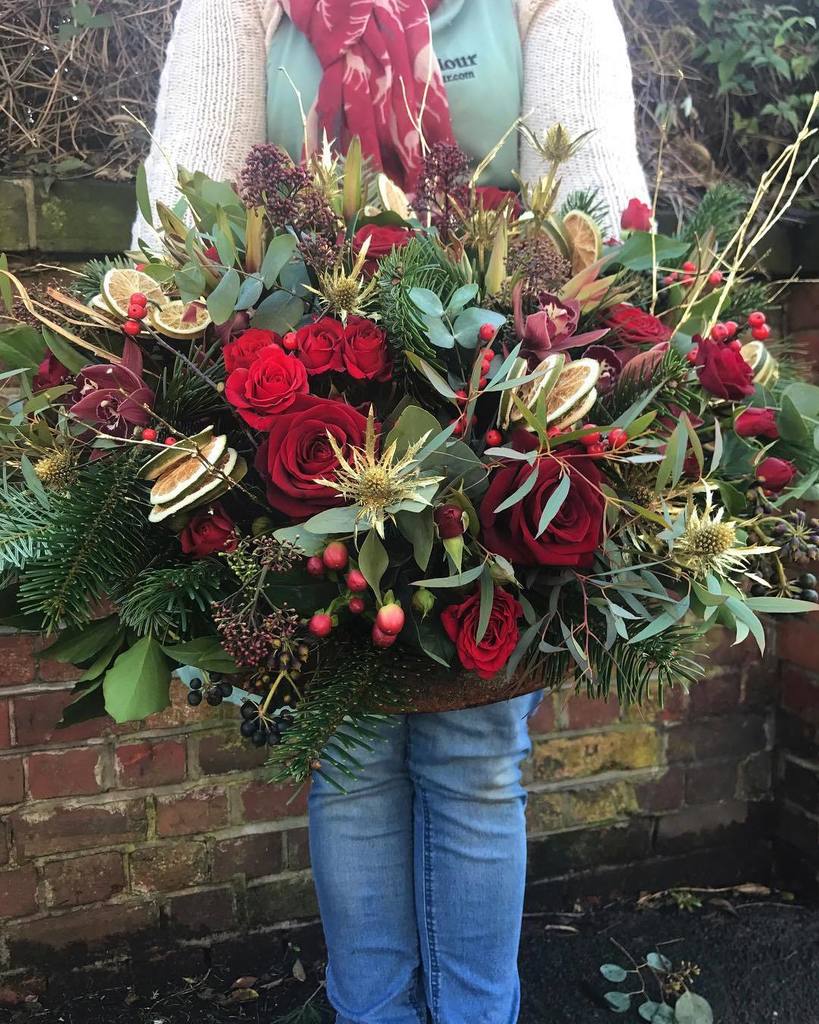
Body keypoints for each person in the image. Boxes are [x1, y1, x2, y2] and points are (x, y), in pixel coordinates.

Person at [136, 2, 648, 1021]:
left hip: (495, 424)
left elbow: (604, 214)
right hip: (304, 434)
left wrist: (572, 377)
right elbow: (176, 236)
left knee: (474, 760)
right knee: (355, 757)